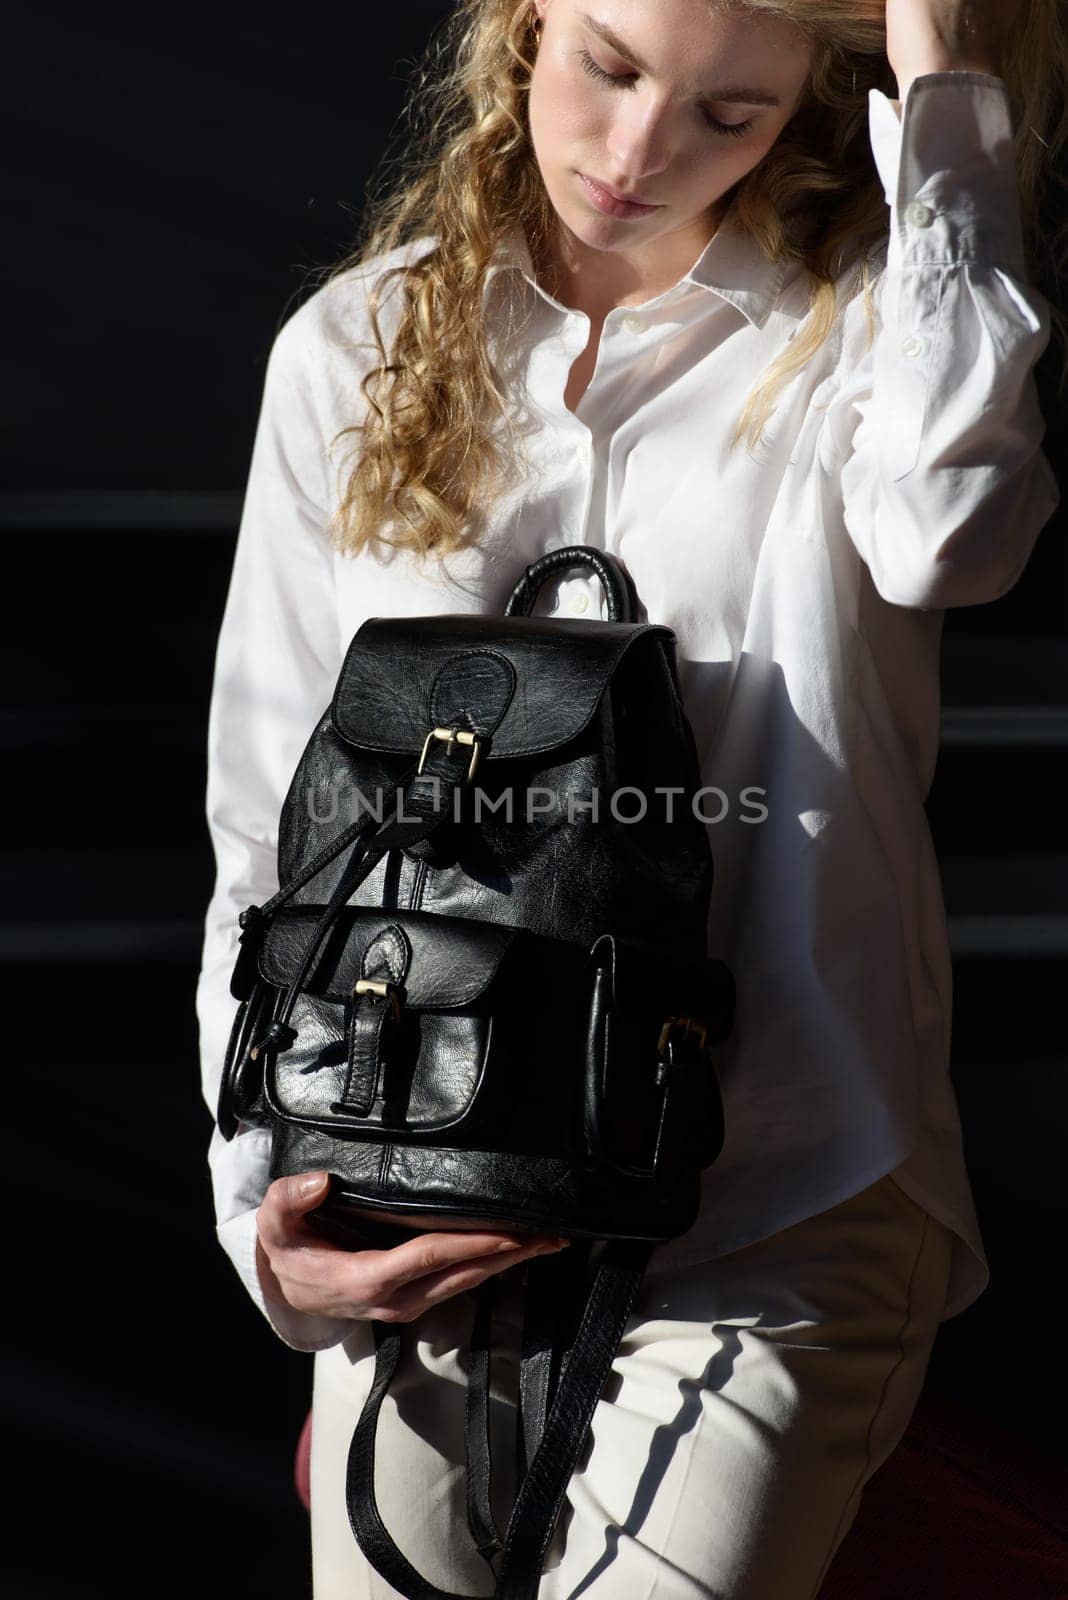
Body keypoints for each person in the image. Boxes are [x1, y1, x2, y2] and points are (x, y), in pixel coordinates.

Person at [195, 1, 1065, 1595]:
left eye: (730, 116)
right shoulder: (354, 346)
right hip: (420, 1174)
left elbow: (955, 527)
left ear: (813, 100)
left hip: (776, 1185)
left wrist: (948, 92)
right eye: (608, 67)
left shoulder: (868, 325)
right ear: (525, 23)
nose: (640, 154)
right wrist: (268, 1200)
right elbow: (268, 815)